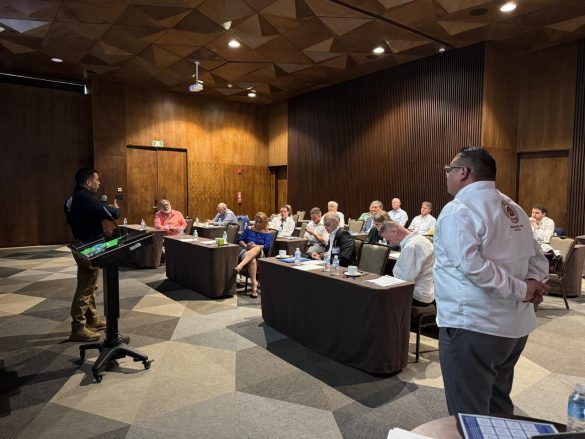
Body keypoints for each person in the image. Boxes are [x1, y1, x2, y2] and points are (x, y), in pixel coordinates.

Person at [434, 147, 549, 416]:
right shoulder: (513, 207)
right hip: (514, 328)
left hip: (474, 326)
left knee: (469, 416)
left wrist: (524, 289)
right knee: (498, 406)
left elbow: (473, 268)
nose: (447, 175)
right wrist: (533, 281)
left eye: (449, 170)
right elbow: (538, 257)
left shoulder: (459, 210)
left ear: (463, 172)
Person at [64, 167, 121, 342]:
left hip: (81, 245)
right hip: (90, 247)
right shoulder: (85, 198)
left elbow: (90, 214)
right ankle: (78, 327)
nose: (99, 183)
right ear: (88, 182)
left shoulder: (72, 198)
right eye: (97, 180)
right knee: (86, 287)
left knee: (89, 284)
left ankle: (92, 319)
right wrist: (115, 209)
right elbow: (112, 214)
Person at [380, 221, 434, 305]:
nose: (390, 243)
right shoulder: (420, 238)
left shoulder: (412, 246)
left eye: (389, 240)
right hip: (426, 290)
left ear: (394, 231)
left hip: (417, 295)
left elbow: (404, 280)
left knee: (377, 297)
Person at [234, 212, 274, 298]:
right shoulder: (249, 229)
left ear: (265, 222)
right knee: (252, 260)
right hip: (245, 251)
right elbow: (239, 240)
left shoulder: (268, 233)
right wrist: (246, 246)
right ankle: (254, 286)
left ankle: (240, 266)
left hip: (260, 254)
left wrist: (256, 246)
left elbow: (267, 246)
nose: (258, 224)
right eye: (257, 222)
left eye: (260, 222)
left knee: (257, 248)